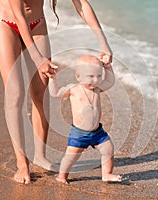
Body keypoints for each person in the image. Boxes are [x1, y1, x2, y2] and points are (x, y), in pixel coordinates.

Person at [0, 0, 113, 184]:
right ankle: (22, 163)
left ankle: (40, 155)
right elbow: (19, 16)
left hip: (37, 24)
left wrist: (103, 43)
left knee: (41, 92)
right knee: (15, 94)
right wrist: (38, 59)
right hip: (7, 24)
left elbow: (81, 5)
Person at [48, 55, 121, 184]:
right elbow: (56, 93)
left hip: (97, 132)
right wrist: (52, 79)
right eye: (91, 77)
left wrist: (108, 67)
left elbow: (110, 81)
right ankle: (62, 176)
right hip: (79, 134)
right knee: (71, 157)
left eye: (99, 76)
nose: (96, 80)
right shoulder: (74, 89)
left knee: (108, 149)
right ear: (78, 76)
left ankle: (107, 174)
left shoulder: (97, 88)